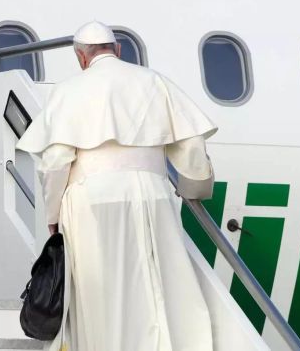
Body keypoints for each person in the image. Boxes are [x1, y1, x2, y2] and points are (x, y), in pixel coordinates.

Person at [17, 21, 218, 350]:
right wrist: (195, 188)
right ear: (118, 50)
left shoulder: (69, 91)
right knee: (158, 286)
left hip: (91, 199)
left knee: (99, 294)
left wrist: (52, 213)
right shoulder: (154, 82)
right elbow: (191, 144)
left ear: (81, 58)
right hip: (153, 194)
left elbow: (55, 162)